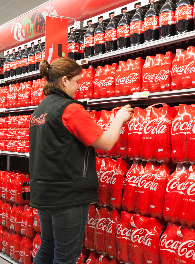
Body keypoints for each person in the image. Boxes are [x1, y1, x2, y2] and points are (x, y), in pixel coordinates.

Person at [29, 58, 133, 264]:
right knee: (65, 257)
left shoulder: (41, 109)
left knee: (47, 246)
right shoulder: (70, 110)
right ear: (65, 81)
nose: (79, 86)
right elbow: (106, 142)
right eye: (77, 81)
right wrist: (119, 118)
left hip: (43, 193)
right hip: (67, 195)